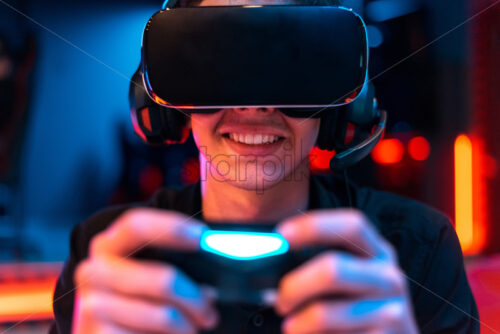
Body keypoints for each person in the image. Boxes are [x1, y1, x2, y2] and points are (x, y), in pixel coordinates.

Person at [50, 0, 479, 333]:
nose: (254, 105)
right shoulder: (105, 256)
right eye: (221, 66)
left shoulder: (417, 249)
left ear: (338, 106)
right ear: (168, 104)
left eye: (285, 65)